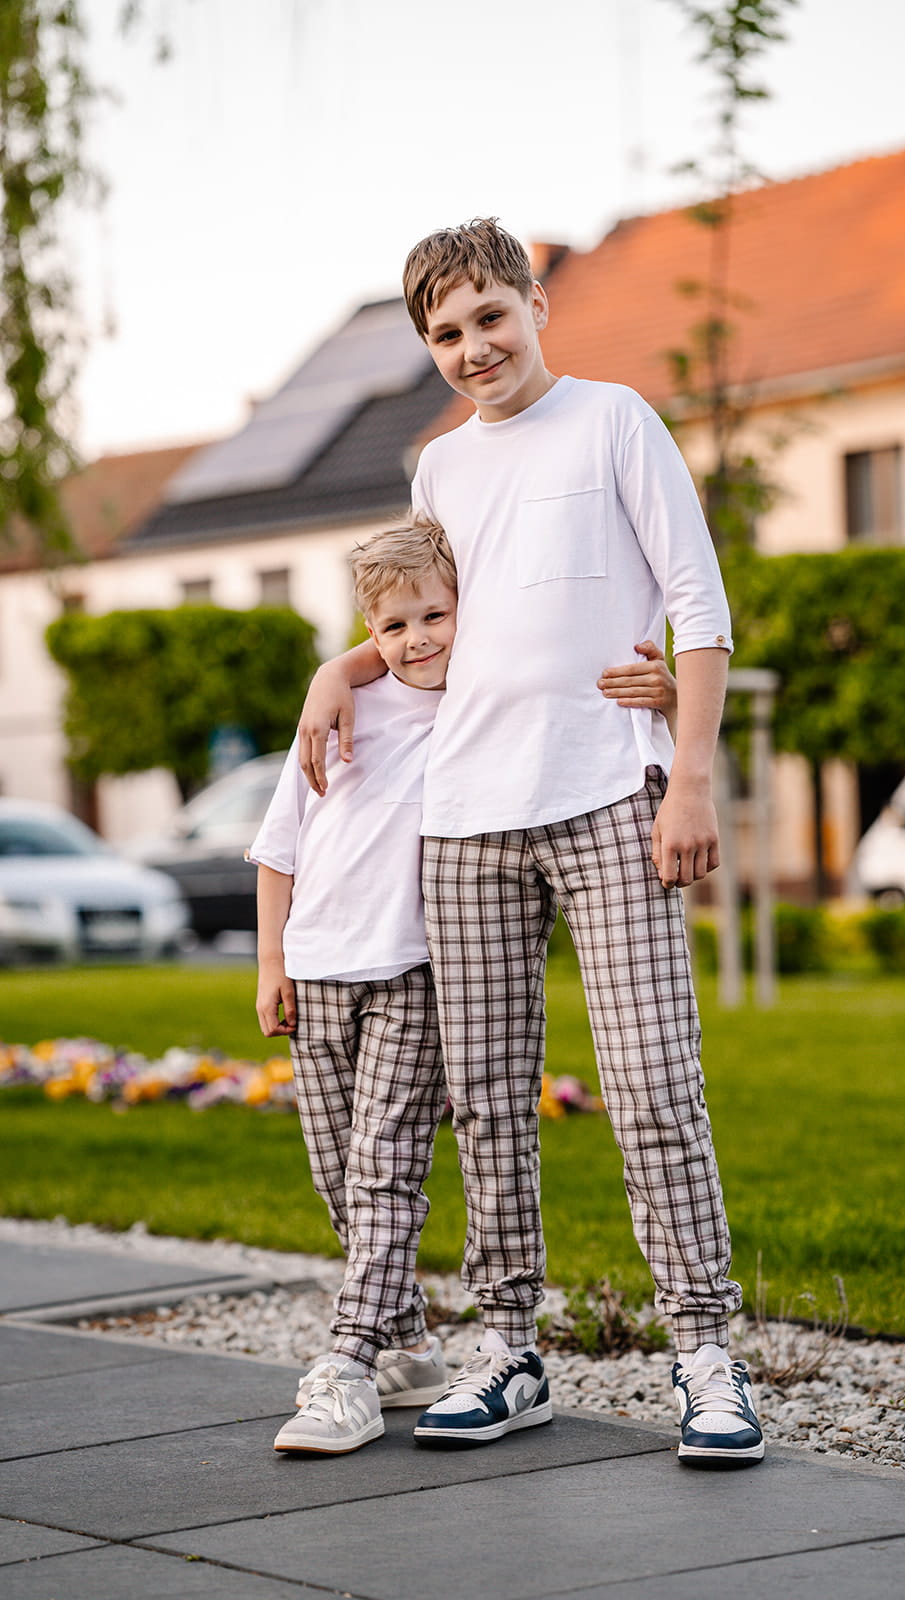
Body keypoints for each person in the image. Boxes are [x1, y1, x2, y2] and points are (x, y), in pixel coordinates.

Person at [296, 218, 763, 1468]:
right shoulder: (438, 469)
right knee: (487, 1098)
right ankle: (508, 1347)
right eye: (445, 333)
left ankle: (705, 1354)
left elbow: (698, 603)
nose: (472, 348)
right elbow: (428, 621)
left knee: (651, 1081)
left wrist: (688, 777)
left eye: (489, 317)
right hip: (464, 818)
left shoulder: (613, 420)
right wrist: (338, 671)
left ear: (536, 304)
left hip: (608, 792)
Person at [252, 512, 676, 1456]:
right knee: (336, 1174)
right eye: (393, 627)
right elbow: (280, 848)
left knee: (384, 1170)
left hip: (412, 974)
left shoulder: (474, 715)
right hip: (316, 971)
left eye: (434, 617)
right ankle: (407, 1346)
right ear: (369, 632)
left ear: (465, 612)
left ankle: (350, 1362)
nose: (416, 640)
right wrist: (271, 962)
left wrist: (671, 697)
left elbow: (573, 707)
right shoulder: (338, 712)